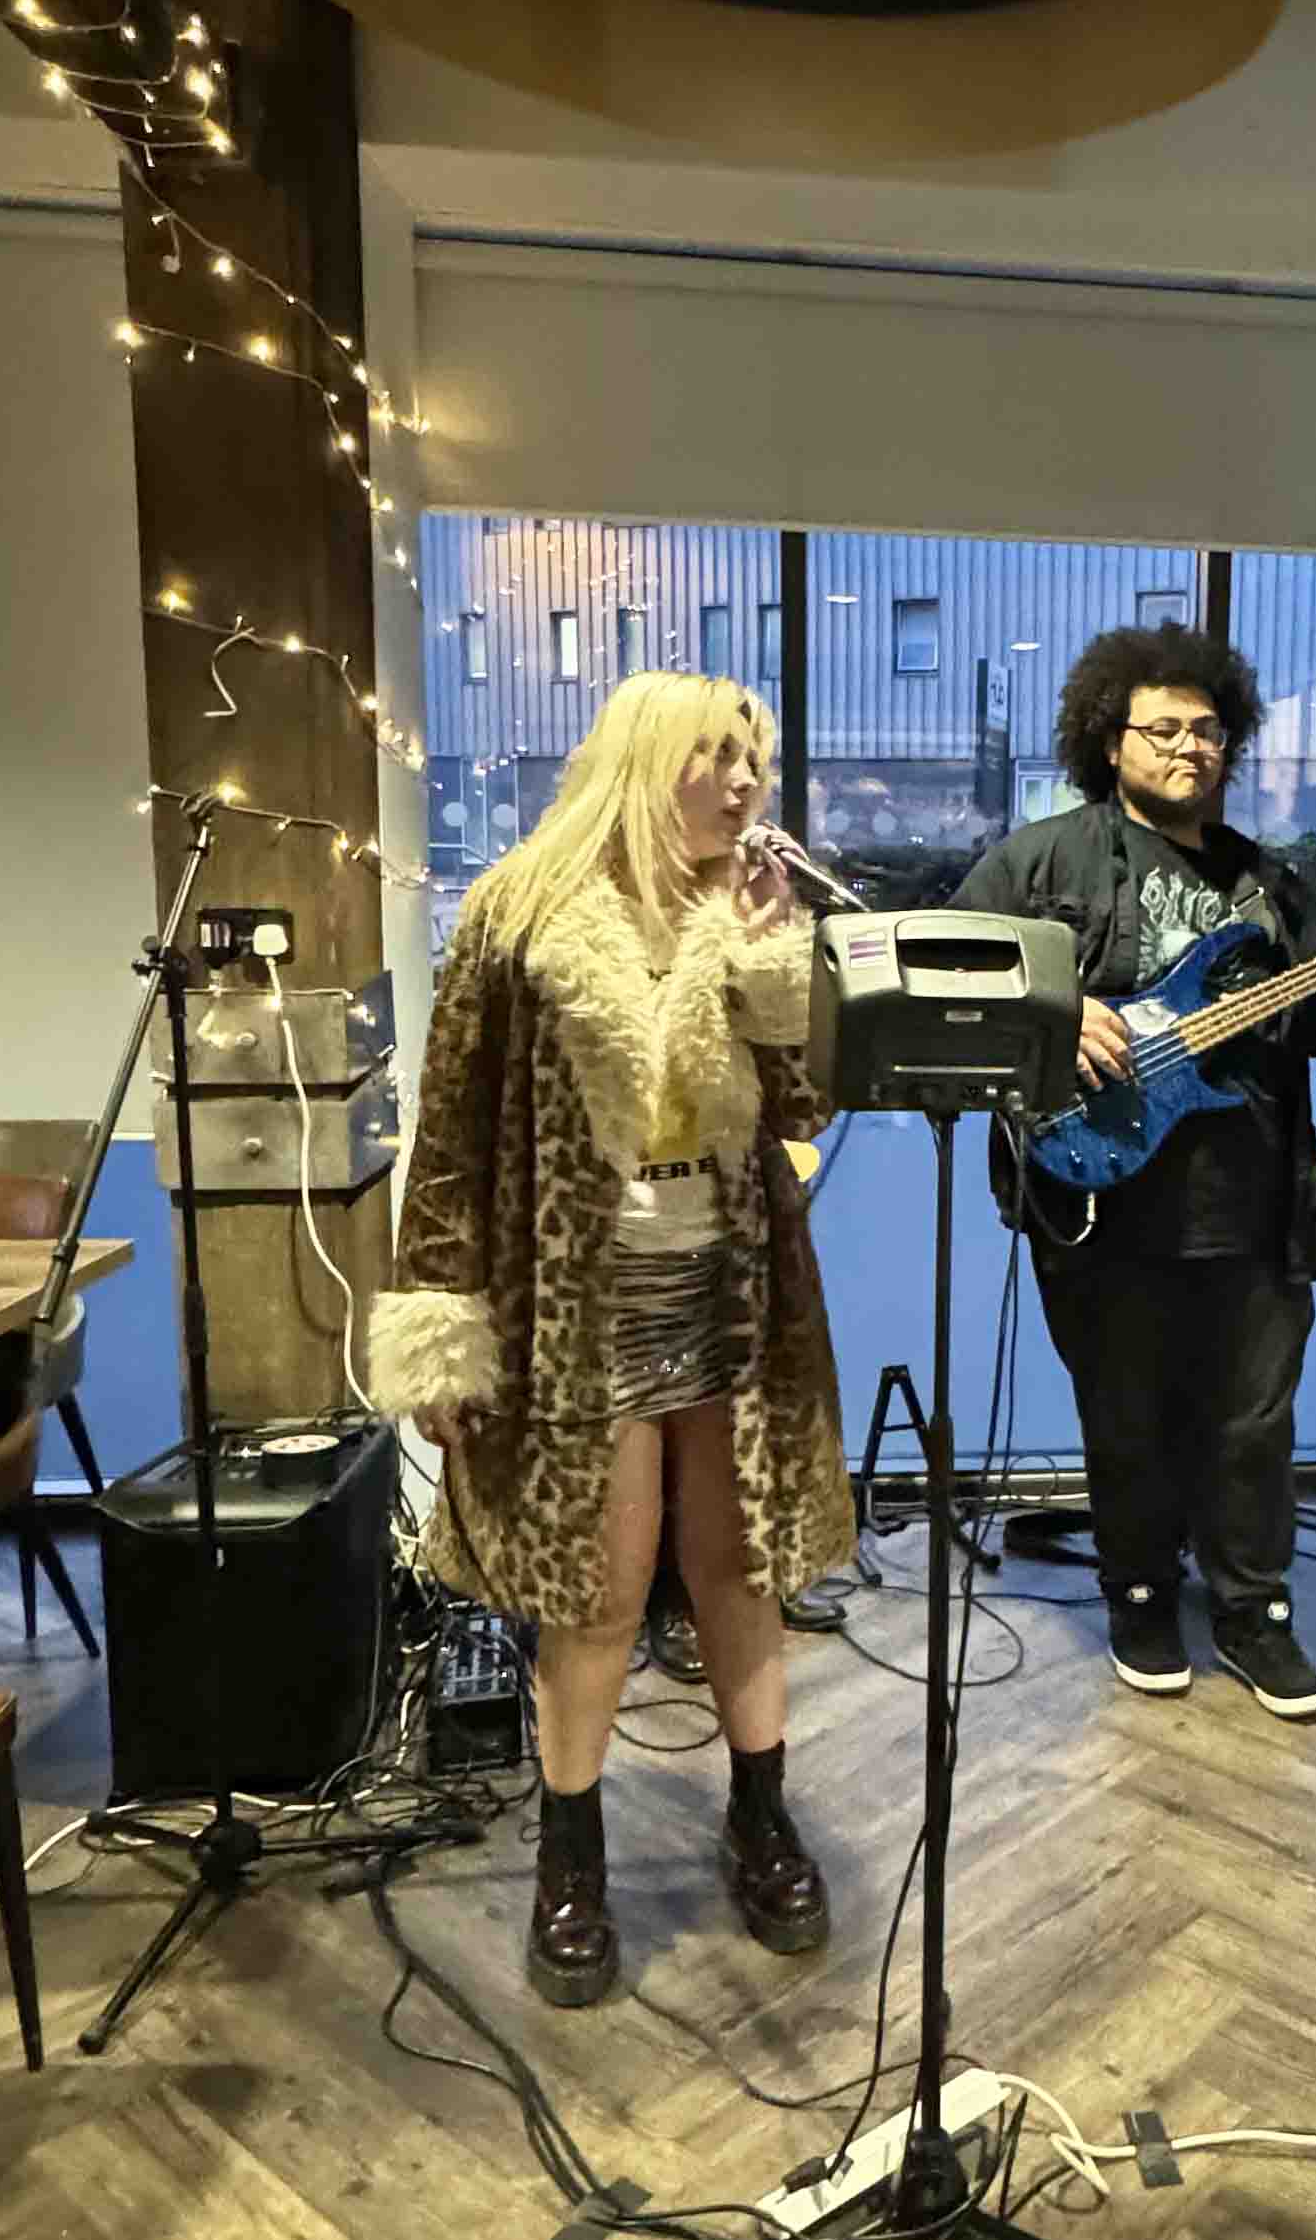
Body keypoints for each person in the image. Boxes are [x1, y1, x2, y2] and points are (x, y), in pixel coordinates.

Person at [370, 671, 855, 2006]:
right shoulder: (518, 912)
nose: (749, 786)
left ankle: (760, 1816)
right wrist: (438, 1324)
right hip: (572, 1312)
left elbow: (810, 1096)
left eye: (757, 762)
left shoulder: (747, 910)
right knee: (593, 1591)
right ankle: (568, 1855)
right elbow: (454, 1139)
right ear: (651, 763)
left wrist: (772, 963)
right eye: (722, 759)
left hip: (734, 1300)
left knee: (742, 1568)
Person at [952, 623, 1316, 1719]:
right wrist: (1061, 1008)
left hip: (1251, 1200)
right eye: (1163, 729)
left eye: (1207, 730)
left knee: (1252, 1422)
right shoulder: (1041, 861)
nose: (1189, 749)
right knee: (1128, 1414)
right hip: (1098, 1191)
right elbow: (950, 968)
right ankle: (1142, 1595)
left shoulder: (1271, 886)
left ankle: (1254, 1611)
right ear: (1111, 740)